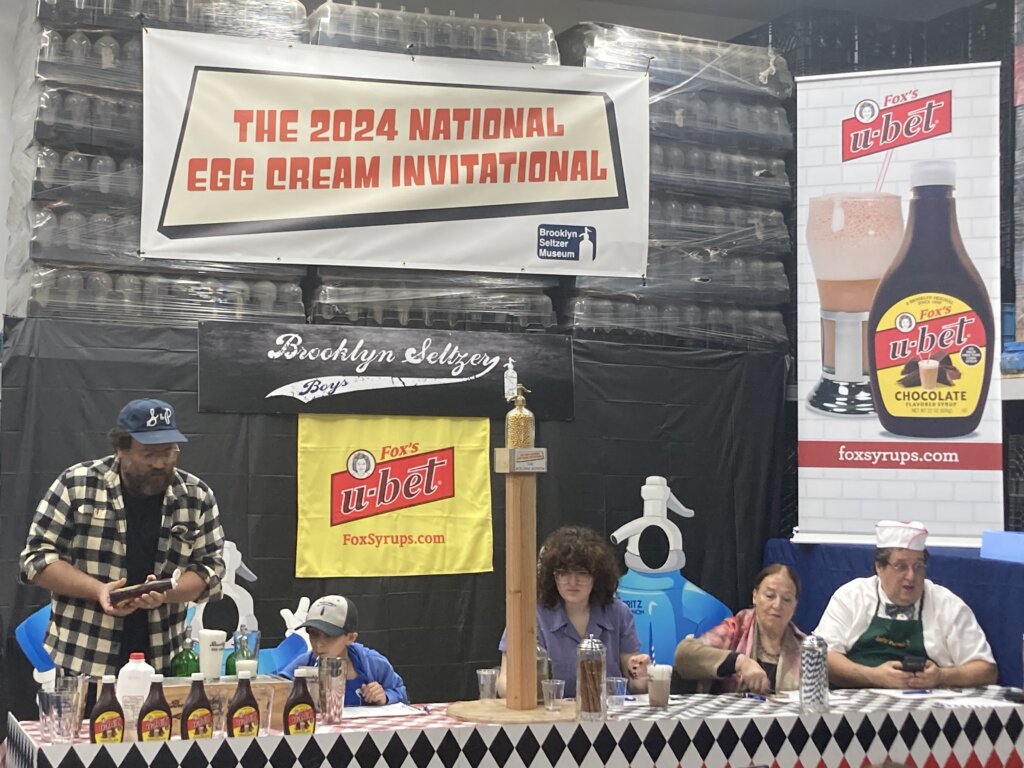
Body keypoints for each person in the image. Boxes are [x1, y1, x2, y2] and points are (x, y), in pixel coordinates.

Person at [18, 398, 226, 678]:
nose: (161, 463)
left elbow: (210, 569)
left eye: (169, 452)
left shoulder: (196, 496)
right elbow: (36, 561)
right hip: (85, 659)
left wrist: (164, 594)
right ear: (121, 449)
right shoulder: (76, 485)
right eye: (149, 454)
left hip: (163, 660)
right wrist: (98, 590)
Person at [814, 520, 997, 689]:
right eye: (901, 567)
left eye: (918, 567)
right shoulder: (851, 597)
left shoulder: (947, 604)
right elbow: (823, 657)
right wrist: (874, 676)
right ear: (879, 567)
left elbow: (986, 670)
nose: (911, 576)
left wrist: (941, 676)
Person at [496, 526, 651, 698]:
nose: (572, 582)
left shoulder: (619, 613)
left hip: (610, 717)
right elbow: (504, 685)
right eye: (563, 573)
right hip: (549, 718)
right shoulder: (529, 616)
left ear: (597, 576)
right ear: (552, 576)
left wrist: (643, 676)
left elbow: (635, 684)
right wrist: (521, 688)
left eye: (582, 573)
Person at [674, 564, 803, 694]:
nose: (777, 605)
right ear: (755, 597)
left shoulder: (804, 647)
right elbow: (684, 654)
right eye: (770, 596)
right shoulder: (736, 629)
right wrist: (739, 662)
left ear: (795, 606)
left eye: (787, 599)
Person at [280, 595, 408, 705]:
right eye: (314, 634)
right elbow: (277, 689)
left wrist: (385, 696)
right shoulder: (304, 664)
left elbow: (401, 693)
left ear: (351, 637)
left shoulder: (372, 663)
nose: (318, 644)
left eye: (329, 636)